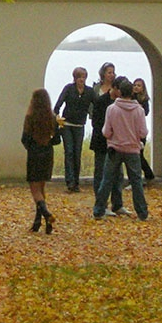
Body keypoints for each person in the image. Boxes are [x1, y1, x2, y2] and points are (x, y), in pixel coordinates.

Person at [94, 77, 149, 221]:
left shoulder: (111, 109)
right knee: (136, 182)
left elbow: (106, 131)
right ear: (132, 93)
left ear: (119, 92)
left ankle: (99, 209)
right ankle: (142, 212)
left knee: (107, 180)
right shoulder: (139, 110)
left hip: (115, 149)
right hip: (132, 150)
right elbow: (143, 132)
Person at [22, 88, 62, 233]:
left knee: (35, 189)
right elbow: (57, 139)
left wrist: (32, 147)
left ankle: (46, 213)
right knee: (42, 188)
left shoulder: (30, 117)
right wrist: (48, 143)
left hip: (34, 153)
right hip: (47, 153)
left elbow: (24, 139)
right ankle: (40, 222)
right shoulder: (51, 118)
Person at [89, 62, 124, 211]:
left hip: (117, 141)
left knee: (118, 174)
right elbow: (96, 121)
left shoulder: (120, 102)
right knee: (101, 172)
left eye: (113, 72)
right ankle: (101, 204)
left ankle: (117, 203)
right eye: (109, 72)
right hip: (102, 140)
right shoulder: (100, 100)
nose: (111, 74)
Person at [53, 67, 95, 192]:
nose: (81, 79)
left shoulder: (89, 91)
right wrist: (57, 117)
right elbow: (58, 105)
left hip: (79, 125)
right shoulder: (69, 89)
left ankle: (76, 182)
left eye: (83, 77)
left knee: (77, 153)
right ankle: (70, 181)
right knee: (69, 152)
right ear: (75, 78)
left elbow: (97, 104)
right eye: (79, 77)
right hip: (67, 124)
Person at [130, 77, 155, 181]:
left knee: (139, 154)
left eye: (139, 85)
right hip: (131, 128)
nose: (136, 87)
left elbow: (146, 112)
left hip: (139, 130)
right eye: (135, 85)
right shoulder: (130, 97)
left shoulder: (144, 100)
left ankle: (148, 174)